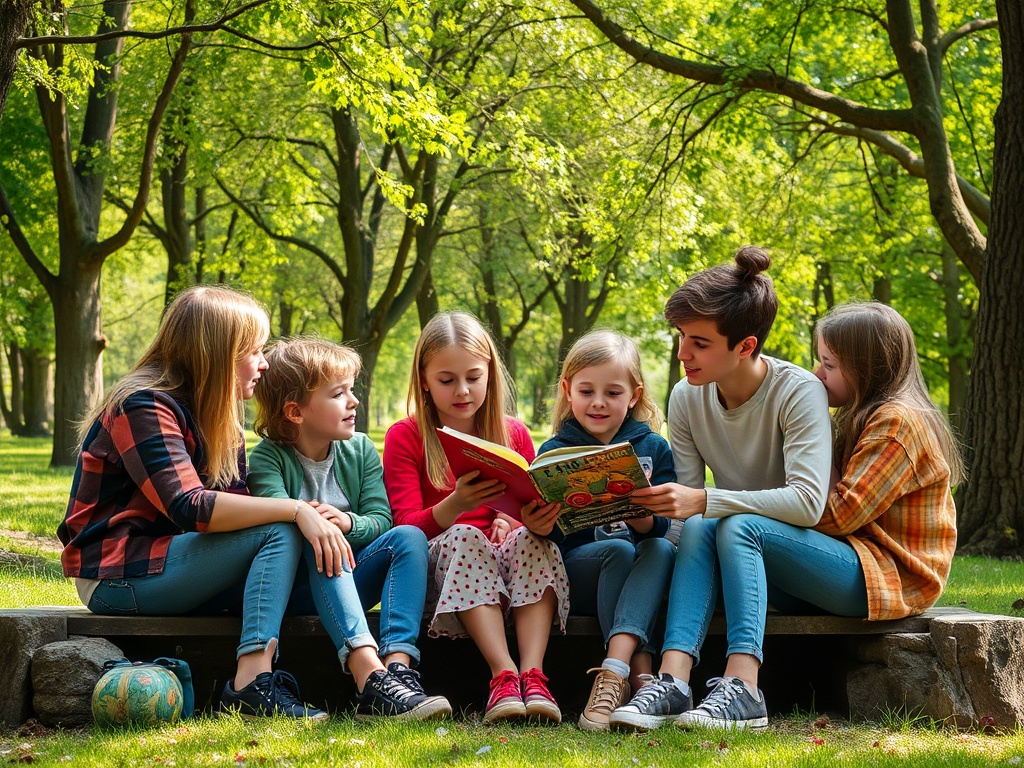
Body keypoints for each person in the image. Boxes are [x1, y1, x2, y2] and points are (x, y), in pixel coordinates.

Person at [59, 285, 345, 720]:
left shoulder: (220, 415)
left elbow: (237, 511)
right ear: (219, 353)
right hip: (117, 575)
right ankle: (251, 685)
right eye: (254, 350)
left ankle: (371, 673)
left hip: (179, 564)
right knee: (280, 526)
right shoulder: (142, 405)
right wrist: (297, 509)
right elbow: (189, 507)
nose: (264, 363)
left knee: (300, 543)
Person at [609, 246, 833, 731]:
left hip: (802, 560)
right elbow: (687, 509)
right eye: (680, 337)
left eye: (699, 342)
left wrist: (707, 501)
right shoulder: (687, 397)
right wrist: (647, 517)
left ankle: (746, 688)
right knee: (698, 530)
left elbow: (809, 503)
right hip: (735, 564)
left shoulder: (798, 392)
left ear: (746, 346)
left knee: (731, 525)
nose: (682, 353)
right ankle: (672, 682)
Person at [247, 336, 451, 720]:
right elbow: (276, 516)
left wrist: (348, 522)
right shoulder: (268, 459)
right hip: (298, 590)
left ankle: (397, 669)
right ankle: (366, 675)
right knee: (310, 534)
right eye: (339, 394)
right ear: (295, 411)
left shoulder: (359, 450)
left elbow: (382, 519)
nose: (354, 401)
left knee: (409, 537)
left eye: (351, 390)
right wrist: (318, 526)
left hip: (350, 580)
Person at [383, 311, 570, 724]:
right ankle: (502, 674)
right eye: (447, 380)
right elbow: (404, 530)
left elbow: (529, 504)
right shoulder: (407, 435)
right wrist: (455, 504)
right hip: (445, 574)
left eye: (474, 376)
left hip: (507, 566)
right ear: (425, 381)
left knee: (535, 540)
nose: (463, 390)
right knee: (467, 533)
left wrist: (522, 522)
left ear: (490, 374)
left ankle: (533, 675)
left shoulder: (514, 434)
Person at [536, 330, 676, 731]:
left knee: (660, 550)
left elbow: (662, 527)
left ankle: (615, 673)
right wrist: (540, 523)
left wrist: (642, 516)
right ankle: (641, 671)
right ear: (567, 390)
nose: (598, 402)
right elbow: (552, 537)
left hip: (639, 573)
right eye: (586, 390)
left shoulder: (654, 448)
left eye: (613, 393)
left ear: (634, 395)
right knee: (617, 550)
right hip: (579, 573)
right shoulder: (554, 451)